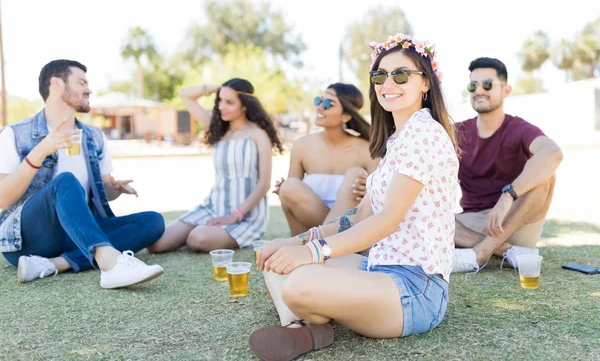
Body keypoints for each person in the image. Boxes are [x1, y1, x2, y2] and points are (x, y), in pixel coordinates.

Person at [247, 34, 459, 361]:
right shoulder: (397, 140)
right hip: (378, 267)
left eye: (401, 74)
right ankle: (306, 327)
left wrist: (312, 253)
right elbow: (359, 217)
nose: (388, 83)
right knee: (275, 262)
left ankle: (304, 322)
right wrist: (297, 242)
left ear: (425, 84)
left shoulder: (424, 134)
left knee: (297, 283)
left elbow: (387, 221)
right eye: (380, 75)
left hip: (416, 289)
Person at [0, 60, 165, 289]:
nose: (89, 89)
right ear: (56, 84)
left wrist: (112, 190)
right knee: (65, 181)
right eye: (82, 82)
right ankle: (109, 265)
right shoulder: (15, 134)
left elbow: (97, 195)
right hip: (26, 241)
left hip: (76, 234)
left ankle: (56, 264)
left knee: (152, 221)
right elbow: (3, 199)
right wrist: (40, 151)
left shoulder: (93, 136)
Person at [452, 57, 563, 273]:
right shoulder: (457, 132)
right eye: (472, 85)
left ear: (506, 90)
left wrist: (507, 196)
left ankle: (481, 252)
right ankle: (504, 250)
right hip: (472, 222)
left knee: (546, 177)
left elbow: (553, 153)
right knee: (425, 215)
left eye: (487, 84)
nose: (479, 91)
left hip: (514, 219)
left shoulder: (518, 128)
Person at [148, 79, 283, 253]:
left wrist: (234, 216)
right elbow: (185, 95)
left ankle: (215, 231)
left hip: (245, 216)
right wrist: (216, 88)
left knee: (197, 238)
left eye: (229, 102)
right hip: (213, 207)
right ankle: (208, 228)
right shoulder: (217, 128)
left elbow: (264, 184)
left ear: (245, 105)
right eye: (220, 100)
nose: (221, 106)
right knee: (157, 244)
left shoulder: (258, 134)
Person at [273, 83, 379, 236]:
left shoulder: (366, 149)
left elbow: (381, 199)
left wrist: (369, 191)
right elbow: (293, 196)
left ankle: (317, 246)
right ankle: (322, 245)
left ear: (346, 115)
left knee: (356, 174)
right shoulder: (302, 145)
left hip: (348, 230)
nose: (319, 107)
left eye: (328, 104)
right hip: (309, 227)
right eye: (319, 101)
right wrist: (282, 191)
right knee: (289, 186)